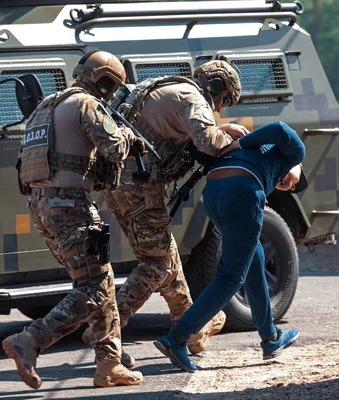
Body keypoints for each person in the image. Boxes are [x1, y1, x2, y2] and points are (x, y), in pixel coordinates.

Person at [82, 60, 246, 365]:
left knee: (166, 255)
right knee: (156, 264)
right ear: (218, 88)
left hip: (121, 184)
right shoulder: (194, 97)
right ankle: (102, 332)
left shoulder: (168, 87)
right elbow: (207, 141)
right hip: (141, 186)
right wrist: (241, 143)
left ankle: (193, 329)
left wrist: (218, 127)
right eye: (224, 101)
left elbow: (181, 128)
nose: (220, 109)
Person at [2, 51, 145, 389]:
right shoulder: (87, 105)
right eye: (113, 88)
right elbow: (113, 147)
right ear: (105, 82)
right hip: (71, 208)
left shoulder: (46, 106)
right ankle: (30, 340)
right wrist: (130, 139)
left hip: (43, 208)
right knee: (93, 288)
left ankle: (109, 364)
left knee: (101, 280)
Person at [154, 121, 307, 372]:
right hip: (241, 191)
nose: (290, 186)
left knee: (254, 262)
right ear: (297, 166)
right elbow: (280, 128)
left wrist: (226, 131)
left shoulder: (259, 157)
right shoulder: (294, 151)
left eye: (292, 189)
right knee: (231, 276)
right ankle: (176, 338)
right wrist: (239, 141)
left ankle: (270, 338)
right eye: (294, 182)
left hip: (214, 195)